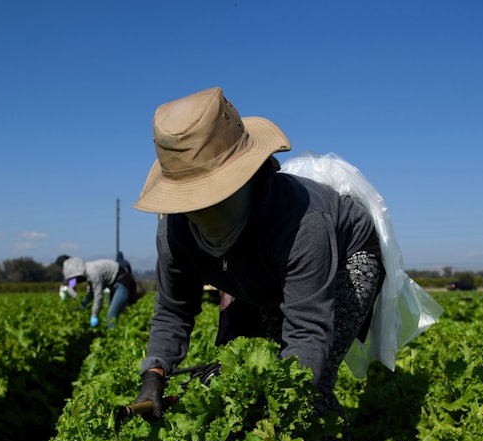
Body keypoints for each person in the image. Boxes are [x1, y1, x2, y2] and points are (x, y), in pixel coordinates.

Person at [131, 86, 384, 417]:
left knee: (304, 387)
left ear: (246, 176)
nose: (203, 213)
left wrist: (277, 388)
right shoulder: (174, 231)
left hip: (347, 258)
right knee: (251, 376)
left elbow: (308, 331)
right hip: (262, 270)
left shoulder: (300, 221)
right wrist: (155, 373)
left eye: (214, 198)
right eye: (191, 203)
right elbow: (173, 310)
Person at [57, 255, 137, 327]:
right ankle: (122, 329)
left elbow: (98, 295)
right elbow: (92, 291)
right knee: (117, 311)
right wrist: (84, 303)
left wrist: (94, 316)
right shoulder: (87, 270)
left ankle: (115, 335)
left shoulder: (92, 273)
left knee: (111, 315)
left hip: (123, 283)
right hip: (115, 284)